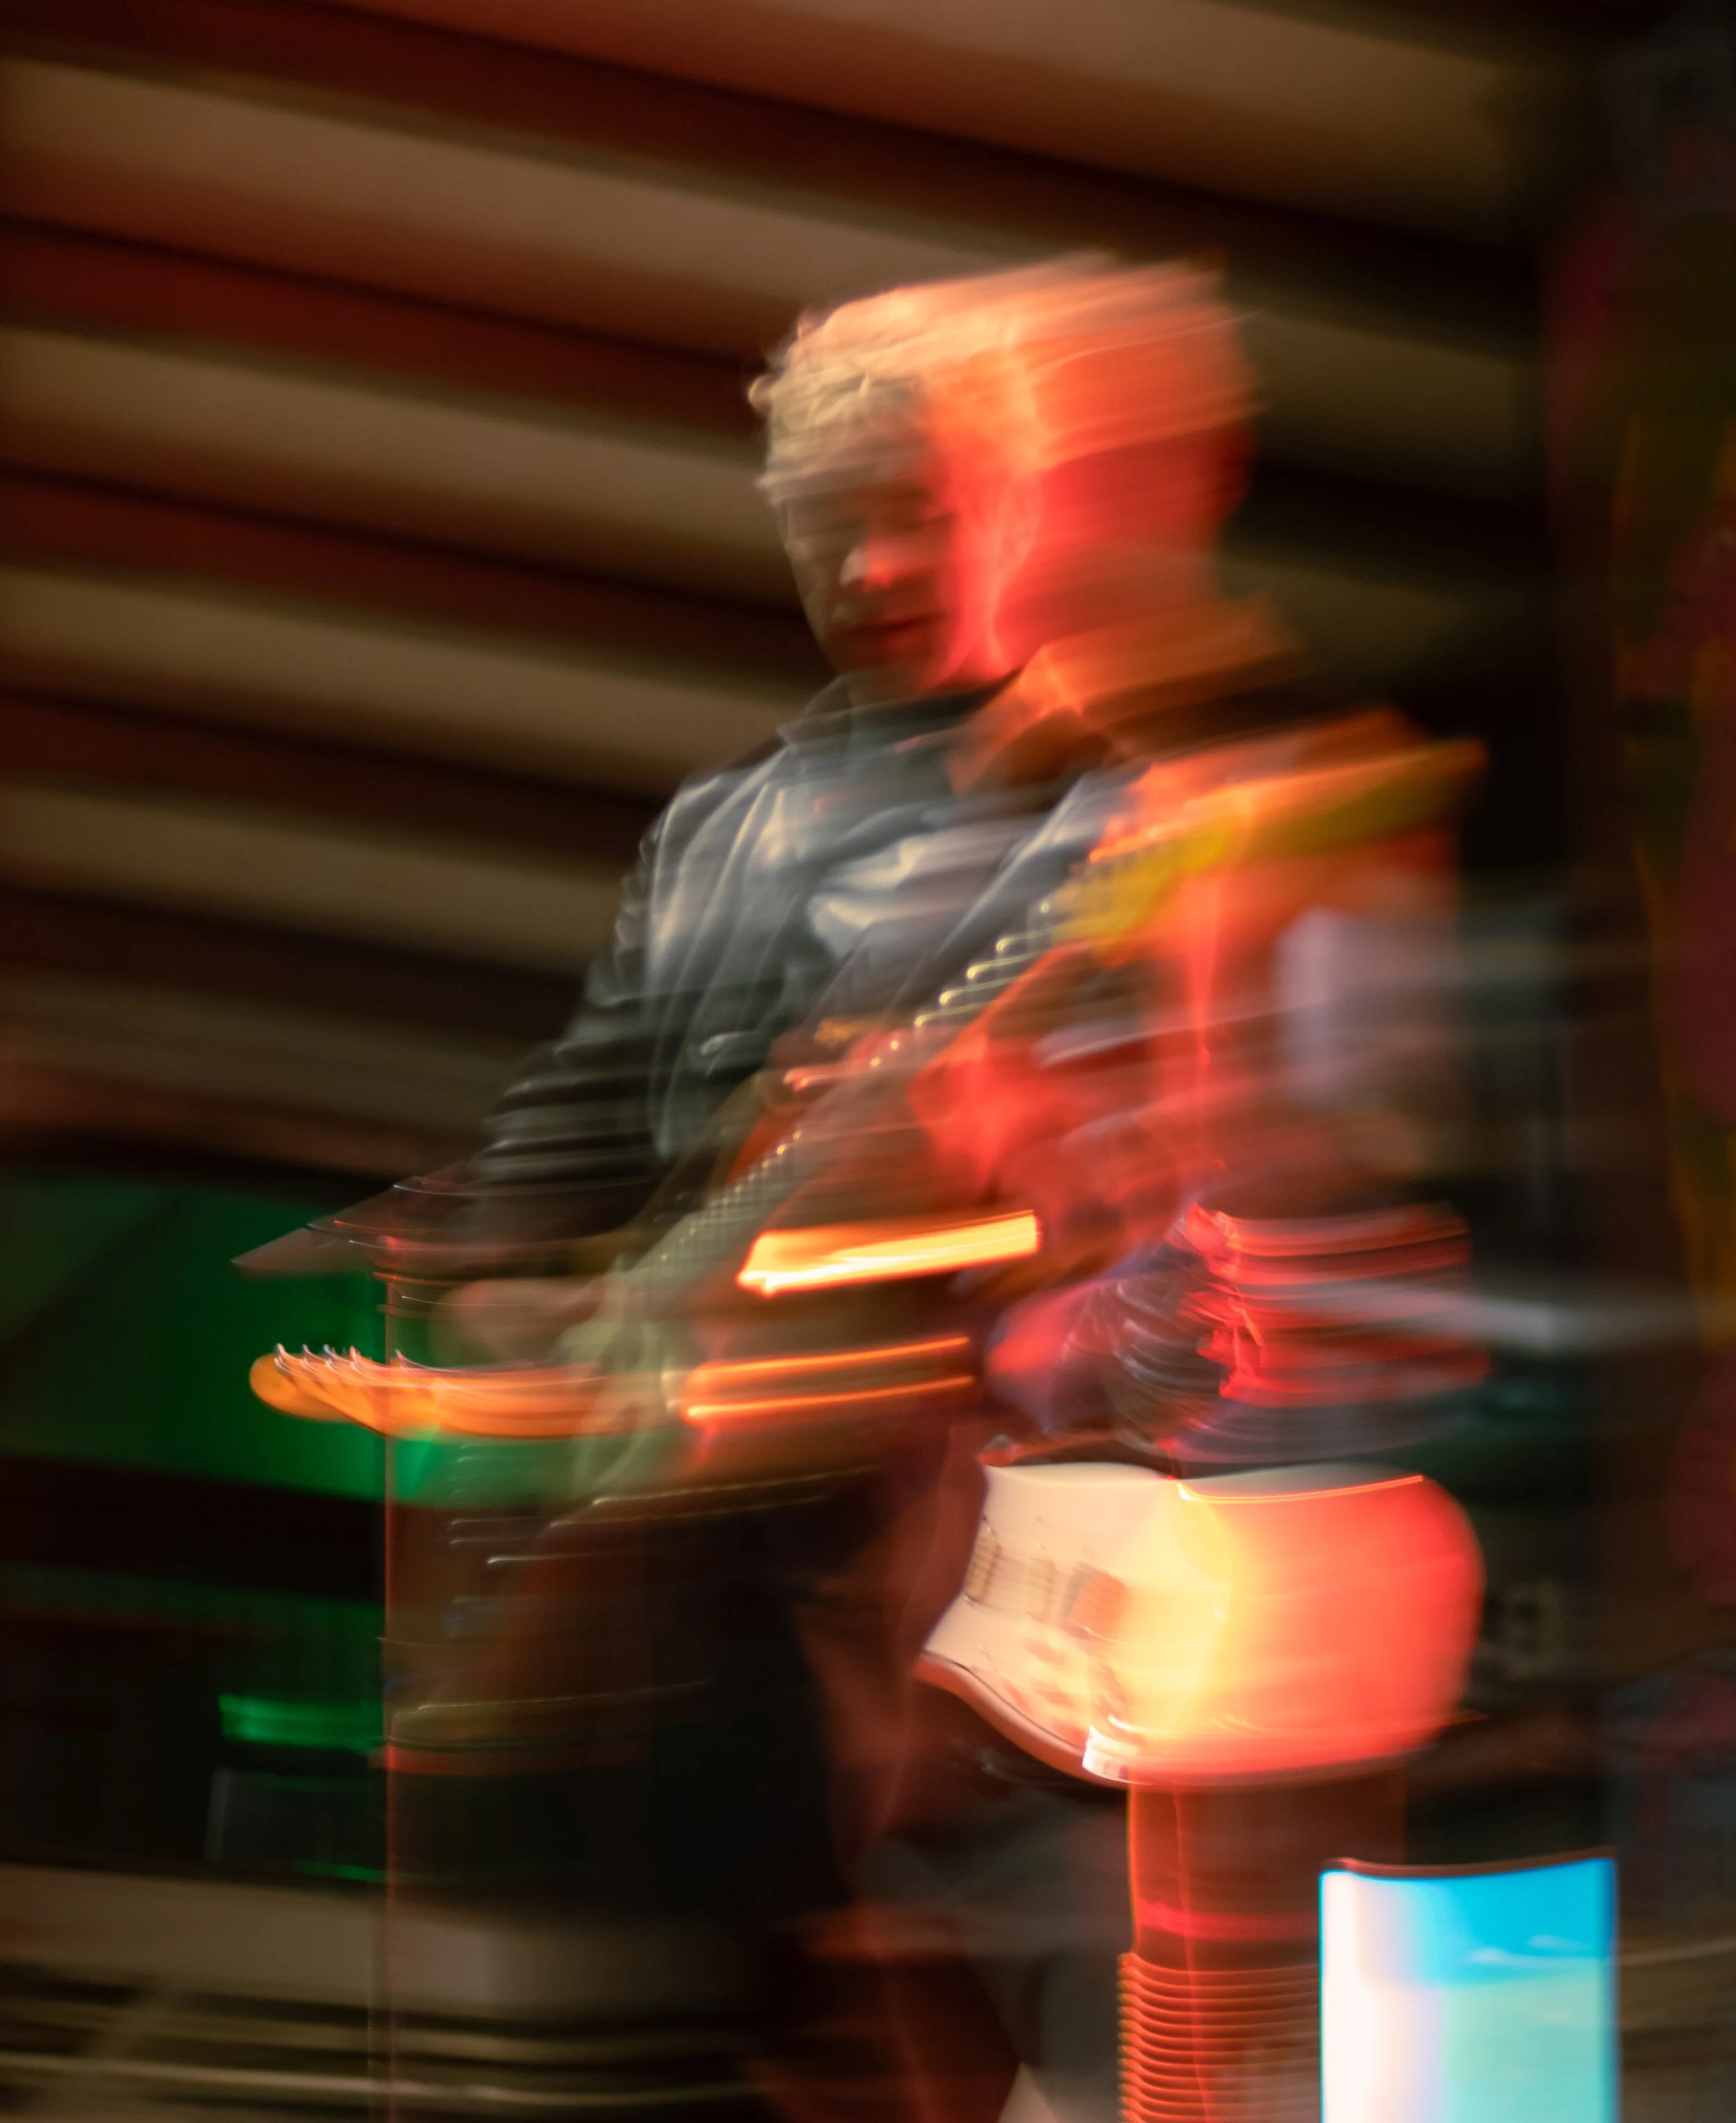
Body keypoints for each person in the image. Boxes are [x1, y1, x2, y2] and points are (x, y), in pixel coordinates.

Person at [248, 256, 1481, 2122]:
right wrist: (503, 1299)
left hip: (1018, 1549)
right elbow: (568, 1137)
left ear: (1014, 503)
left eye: (916, 515)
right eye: (831, 529)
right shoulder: (721, 832)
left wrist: (1058, 1187)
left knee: (1114, 2019)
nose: (875, 568)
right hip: (723, 1601)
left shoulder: (1142, 797)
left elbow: (1283, 1148)